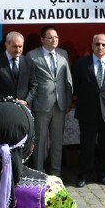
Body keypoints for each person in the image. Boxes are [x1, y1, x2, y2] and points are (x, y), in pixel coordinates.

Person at [26, 26, 73, 176]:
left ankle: (56, 173)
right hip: (41, 105)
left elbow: (68, 79)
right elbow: (29, 81)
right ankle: (39, 171)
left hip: (60, 104)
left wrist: (68, 100)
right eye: (51, 37)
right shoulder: (32, 55)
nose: (54, 40)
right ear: (42, 39)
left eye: (57, 37)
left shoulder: (63, 54)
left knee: (57, 141)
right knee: (40, 142)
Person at [73, 34, 105, 187]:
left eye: (103, 45)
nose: (100, 47)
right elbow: (76, 86)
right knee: (87, 145)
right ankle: (84, 174)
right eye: (97, 44)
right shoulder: (81, 64)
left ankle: (103, 174)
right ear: (92, 45)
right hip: (87, 111)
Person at [0, 32, 35, 105]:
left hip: (22, 108)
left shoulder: (28, 62)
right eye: (14, 46)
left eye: (20, 46)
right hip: (2, 107)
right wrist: (3, 100)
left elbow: (33, 85)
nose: (18, 50)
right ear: (6, 45)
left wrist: (26, 101)